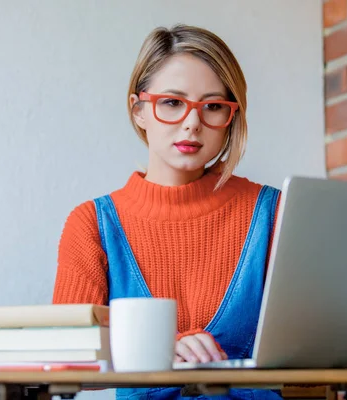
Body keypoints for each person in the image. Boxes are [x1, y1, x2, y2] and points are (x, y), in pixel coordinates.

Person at [52, 23, 282, 399]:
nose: (193, 122)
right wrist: (155, 350)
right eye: (173, 102)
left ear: (230, 120)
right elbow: (67, 360)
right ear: (139, 110)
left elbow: (325, 337)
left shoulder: (272, 213)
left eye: (213, 106)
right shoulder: (93, 224)